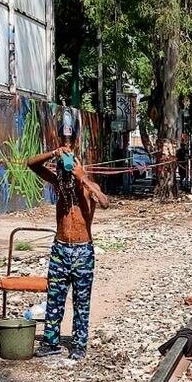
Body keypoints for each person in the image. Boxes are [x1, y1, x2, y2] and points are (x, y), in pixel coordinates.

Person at [27, 146, 110, 360]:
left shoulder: (87, 188)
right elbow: (32, 164)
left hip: (83, 251)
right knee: (54, 299)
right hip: (61, 249)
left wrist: (83, 178)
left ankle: (79, 345)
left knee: (82, 303)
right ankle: (50, 343)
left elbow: (104, 202)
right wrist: (54, 153)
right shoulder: (60, 185)